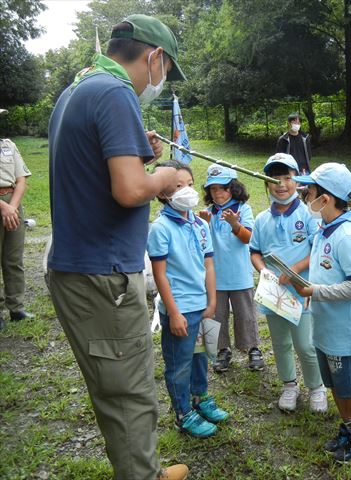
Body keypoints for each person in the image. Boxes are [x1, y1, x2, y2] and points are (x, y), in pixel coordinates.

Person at [48, 14, 189, 480]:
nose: (161, 80)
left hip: (77, 265)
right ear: (154, 57)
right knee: (129, 395)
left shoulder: (76, 90)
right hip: (103, 275)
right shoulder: (115, 92)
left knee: (116, 388)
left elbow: (92, 166)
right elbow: (129, 191)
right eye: (165, 70)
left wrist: (137, 152)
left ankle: (141, 467)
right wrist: (166, 176)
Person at [291, 163, 351, 463]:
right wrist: (308, 289)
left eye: (309, 192)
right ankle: (349, 428)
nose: (304, 196)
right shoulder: (324, 230)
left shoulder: (346, 236)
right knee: (334, 385)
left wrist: (315, 292)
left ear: (325, 199)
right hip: (324, 327)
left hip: (343, 333)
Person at [147, 160, 229, 439]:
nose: (187, 191)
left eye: (190, 185)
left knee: (199, 357)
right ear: (162, 194)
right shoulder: (160, 228)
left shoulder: (200, 224)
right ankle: (183, 413)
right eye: (178, 186)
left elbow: (209, 266)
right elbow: (160, 275)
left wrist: (212, 301)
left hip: (202, 307)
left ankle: (200, 398)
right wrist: (174, 312)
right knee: (179, 364)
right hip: (179, 310)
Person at [249, 153, 327, 413]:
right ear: (266, 183)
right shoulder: (262, 219)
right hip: (273, 293)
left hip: (300, 289)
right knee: (280, 343)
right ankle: (289, 385)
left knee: (305, 344)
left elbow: (316, 248)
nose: (281, 184)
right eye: (274, 179)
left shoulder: (307, 215)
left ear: (298, 181)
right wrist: (264, 272)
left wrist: (294, 270)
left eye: (287, 178)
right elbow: (255, 251)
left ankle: (316, 387)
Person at [198, 165, 264, 373]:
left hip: (239, 274)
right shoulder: (207, 213)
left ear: (234, 188)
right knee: (217, 315)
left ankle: (252, 348)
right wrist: (205, 225)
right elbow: (201, 244)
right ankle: (222, 350)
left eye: (223, 188)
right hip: (215, 275)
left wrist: (235, 224)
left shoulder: (243, 209)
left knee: (245, 314)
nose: (218, 193)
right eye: (213, 189)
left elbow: (248, 238)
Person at [0, 109, 33, 330]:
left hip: (13, 203)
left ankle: (16, 307)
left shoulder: (8, 145)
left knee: (14, 259)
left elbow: (21, 180)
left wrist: (12, 207)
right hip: (2, 204)